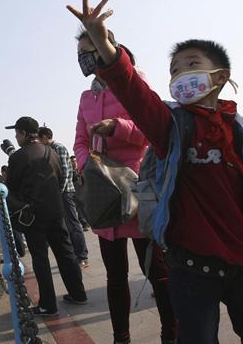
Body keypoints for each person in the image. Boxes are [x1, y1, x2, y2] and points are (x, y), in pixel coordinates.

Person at [68, 0, 243, 344]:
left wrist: (117, 127)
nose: (181, 74)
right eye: (174, 69)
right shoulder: (169, 125)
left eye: (192, 65)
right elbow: (131, 91)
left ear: (220, 76)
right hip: (190, 266)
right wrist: (103, 45)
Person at [71, 27, 177, 344]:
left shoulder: (134, 81)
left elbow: (152, 129)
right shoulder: (86, 97)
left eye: (89, 51)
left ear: (108, 46)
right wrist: (85, 164)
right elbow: (79, 139)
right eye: (79, 55)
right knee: (115, 277)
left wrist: (117, 127)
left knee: (157, 272)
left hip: (137, 188)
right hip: (104, 195)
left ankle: (171, 333)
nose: (84, 59)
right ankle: (121, 338)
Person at [5, 116, 87, 316]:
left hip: (33, 216)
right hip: (56, 210)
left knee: (41, 259)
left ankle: (48, 305)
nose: (16, 137)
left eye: (17, 133)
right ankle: (78, 294)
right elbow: (60, 180)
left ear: (24, 133)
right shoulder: (52, 152)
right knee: (66, 253)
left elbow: (11, 188)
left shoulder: (17, 157)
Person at [38, 126, 90, 268]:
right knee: (67, 225)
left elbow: (66, 172)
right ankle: (75, 255)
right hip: (60, 192)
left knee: (73, 224)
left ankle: (82, 256)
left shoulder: (58, 148)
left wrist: (59, 192)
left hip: (65, 192)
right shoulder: (50, 149)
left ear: (44, 137)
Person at [70, 155, 90, 231]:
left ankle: (86, 223)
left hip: (84, 193)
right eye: (72, 161)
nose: (74, 163)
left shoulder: (81, 171)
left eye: (75, 161)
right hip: (75, 194)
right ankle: (84, 224)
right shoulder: (70, 173)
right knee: (78, 209)